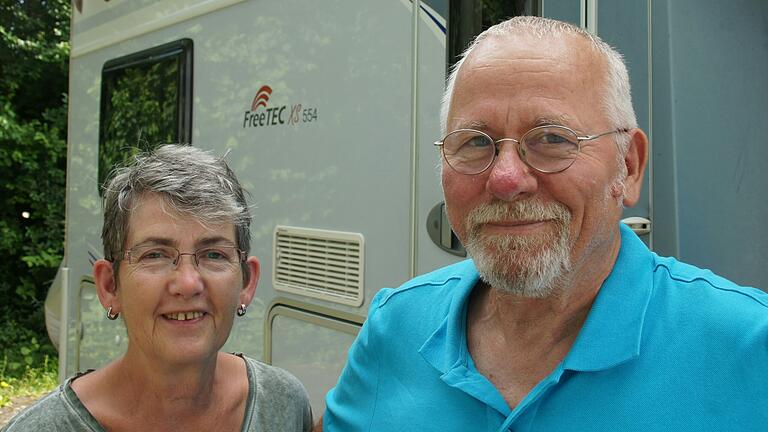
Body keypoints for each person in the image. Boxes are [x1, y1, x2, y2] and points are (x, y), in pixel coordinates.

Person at [321, 16, 768, 431]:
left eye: (552, 139)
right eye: (476, 142)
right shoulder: (394, 326)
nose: (506, 179)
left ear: (628, 167)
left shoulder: (748, 348)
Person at [2, 145, 312, 432]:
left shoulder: (282, 406)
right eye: (155, 255)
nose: (188, 284)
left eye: (213, 254)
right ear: (110, 285)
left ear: (247, 281)